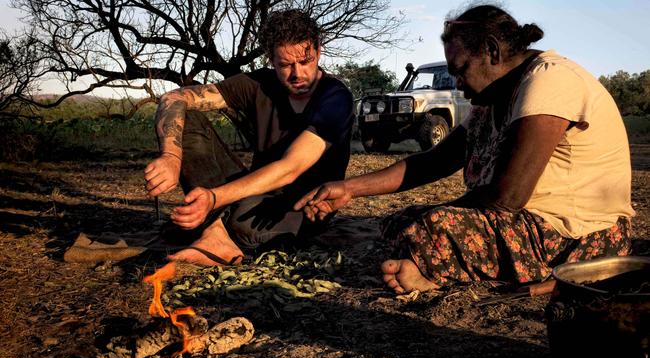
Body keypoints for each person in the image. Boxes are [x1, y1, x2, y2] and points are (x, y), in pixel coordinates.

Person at [295, 4, 634, 294]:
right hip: (524, 226)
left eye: (461, 71)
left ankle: (435, 270)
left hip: (575, 238)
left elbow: (508, 196)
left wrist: (436, 216)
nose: (457, 83)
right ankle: (439, 261)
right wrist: (350, 189)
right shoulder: (493, 98)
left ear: (492, 50)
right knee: (402, 221)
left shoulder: (550, 81)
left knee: (431, 225)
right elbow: (436, 160)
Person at [144, 9, 354, 266]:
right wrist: (171, 155)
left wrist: (214, 198)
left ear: (318, 51)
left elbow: (289, 169)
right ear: (271, 60)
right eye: (285, 65)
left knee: (245, 221)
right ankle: (216, 231)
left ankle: (218, 228)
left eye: (306, 61)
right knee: (188, 119)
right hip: (252, 190)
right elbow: (174, 97)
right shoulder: (259, 84)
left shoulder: (335, 97)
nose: (297, 74)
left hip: (303, 206)